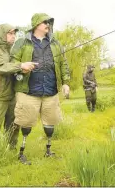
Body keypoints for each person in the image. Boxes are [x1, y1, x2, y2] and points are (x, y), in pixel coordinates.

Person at [10, 13, 70, 164]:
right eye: (45, 22)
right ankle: (21, 153)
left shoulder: (56, 43)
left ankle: (48, 150)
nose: (48, 25)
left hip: (51, 91)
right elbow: (12, 63)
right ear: (36, 24)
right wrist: (21, 67)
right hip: (28, 91)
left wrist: (65, 82)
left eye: (49, 22)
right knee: (26, 122)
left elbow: (63, 63)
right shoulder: (22, 43)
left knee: (51, 121)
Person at [0, 24, 38, 149]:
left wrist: (22, 70)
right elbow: (0, 67)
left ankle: (10, 150)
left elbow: (12, 69)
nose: (13, 36)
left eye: (14, 34)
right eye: (10, 33)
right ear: (2, 34)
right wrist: (20, 66)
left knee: (13, 125)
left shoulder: (12, 51)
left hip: (11, 94)